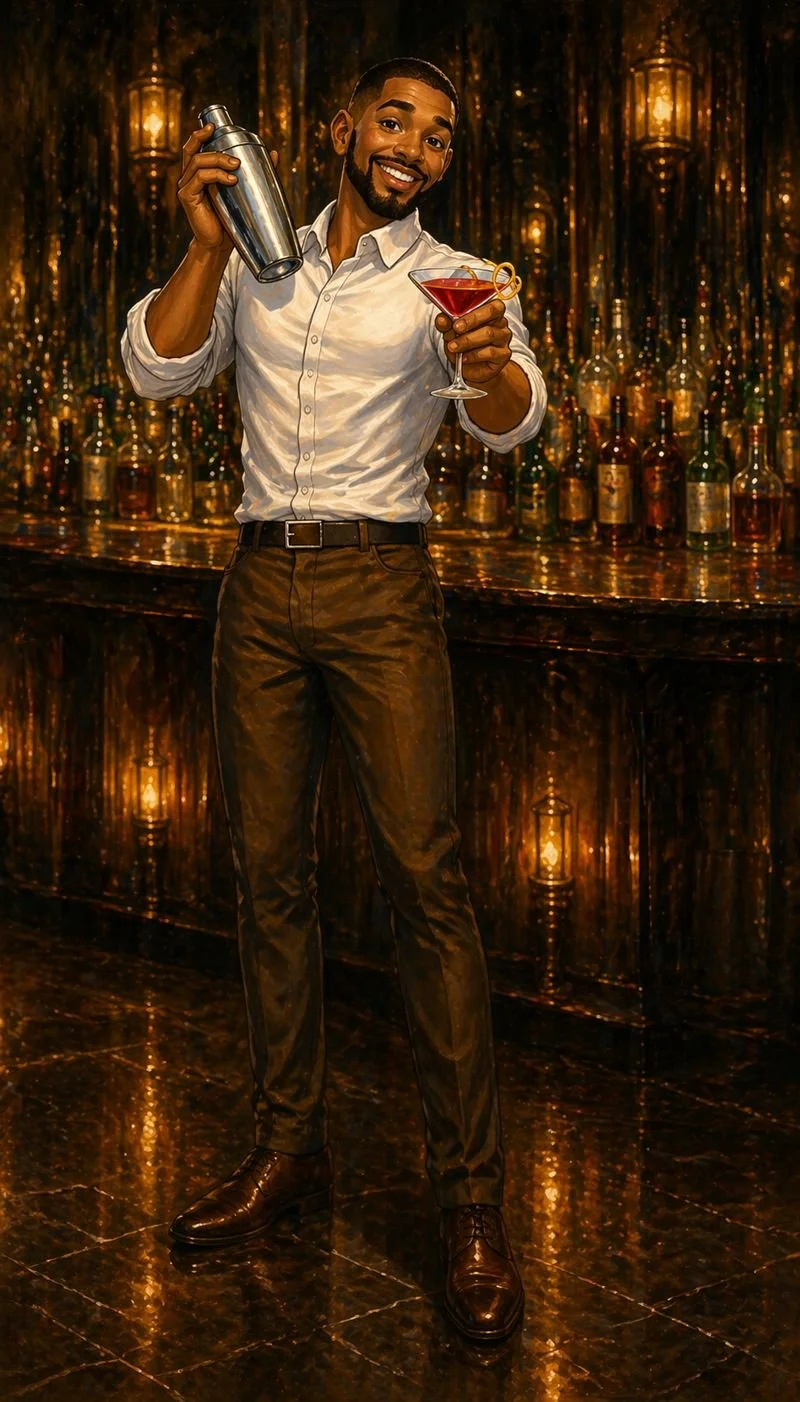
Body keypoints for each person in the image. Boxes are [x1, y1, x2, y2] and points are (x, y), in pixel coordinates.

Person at [122, 56, 546, 1345]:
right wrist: (202, 243)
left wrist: (484, 361)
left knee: (427, 882)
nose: (416, 144)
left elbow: (516, 424)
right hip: (258, 587)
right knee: (267, 877)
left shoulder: (460, 278)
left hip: (381, 586)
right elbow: (158, 370)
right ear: (344, 127)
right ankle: (287, 1149)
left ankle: (470, 1206)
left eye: (440, 135)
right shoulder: (259, 254)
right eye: (396, 119)